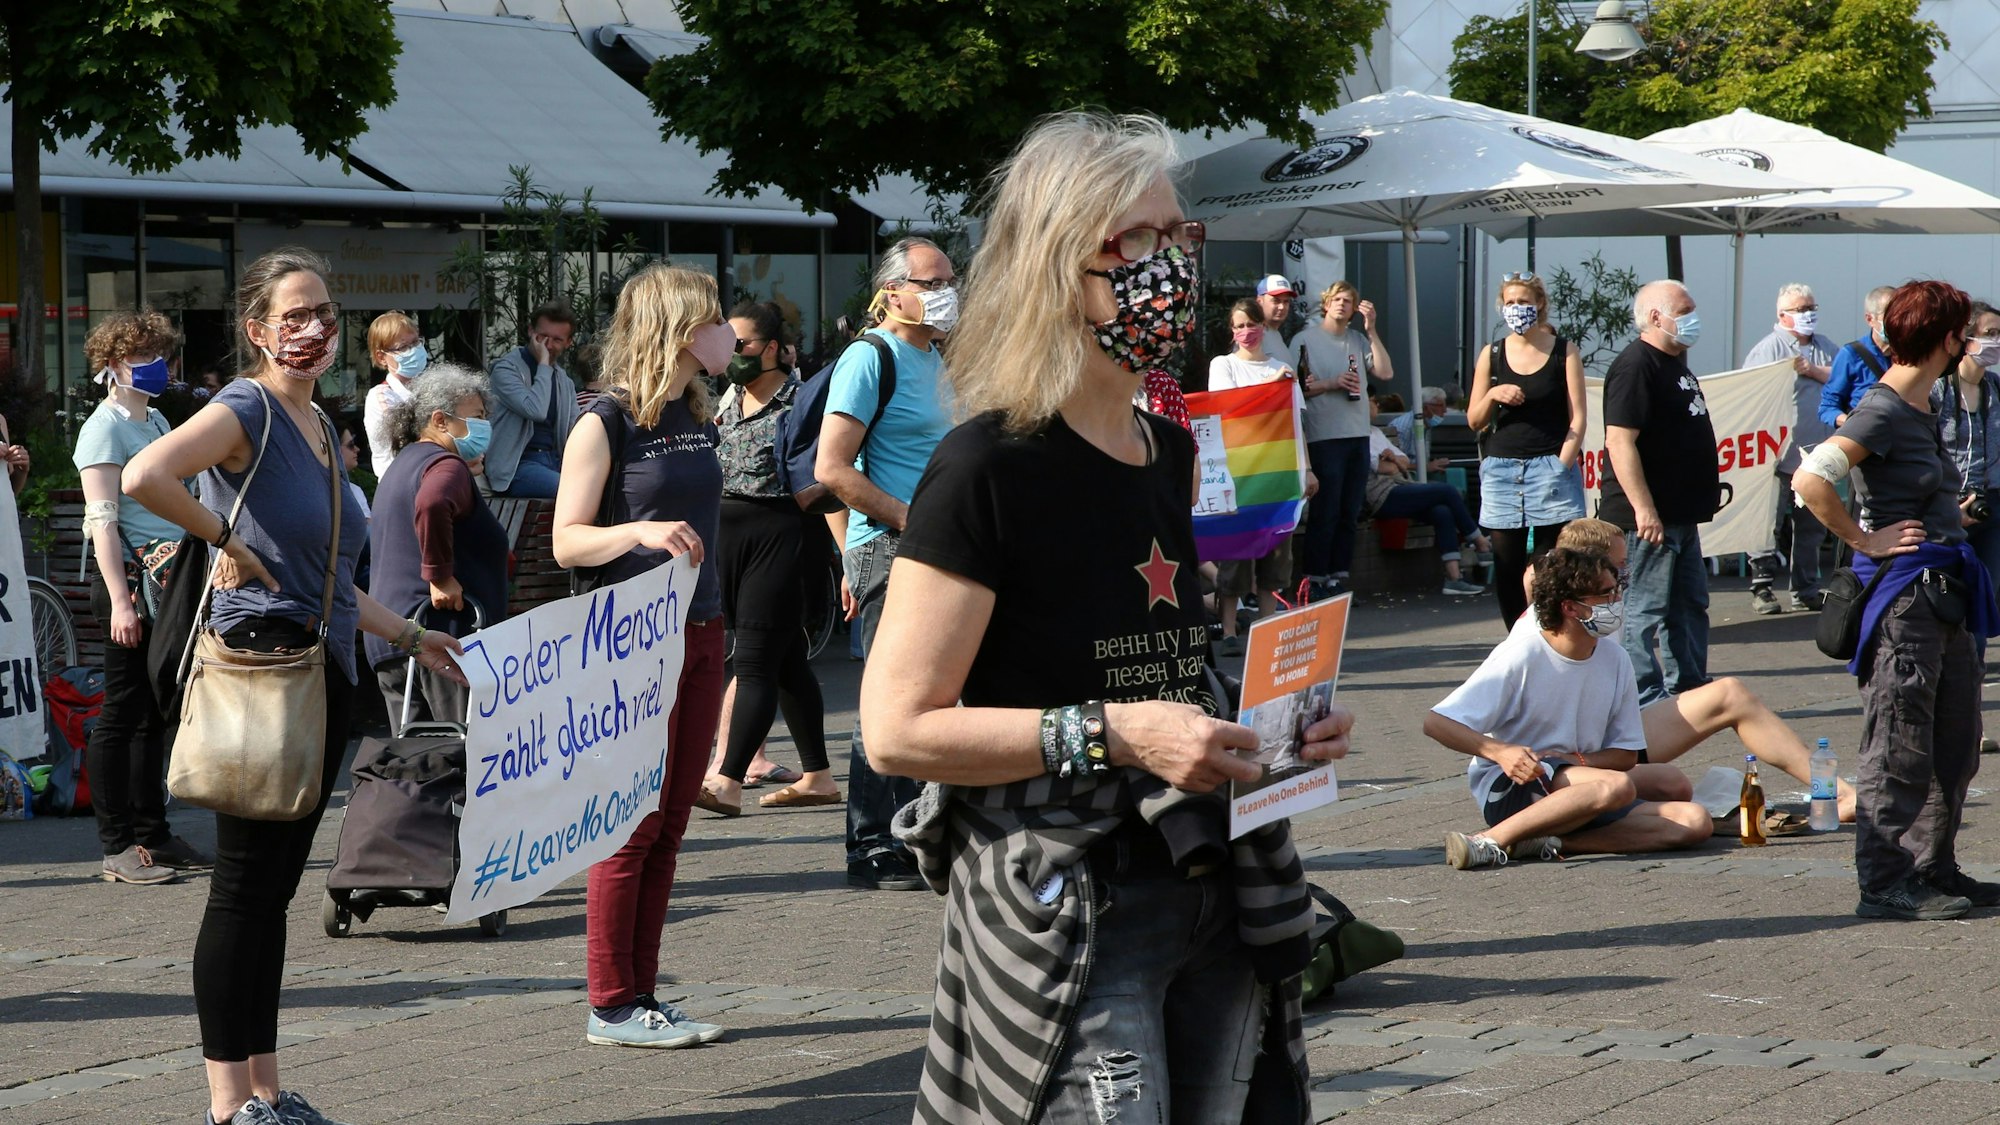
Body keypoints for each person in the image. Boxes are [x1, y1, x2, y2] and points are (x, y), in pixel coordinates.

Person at [864, 109, 1352, 1125]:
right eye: (1135, 241)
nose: (1168, 267)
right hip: (1065, 901)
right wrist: (1117, 732)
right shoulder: (986, 467)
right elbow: (897, 729)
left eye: (1178, 237)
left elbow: (1171, 668)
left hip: (1205, 876)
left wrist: (1269, 732)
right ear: (1054, 263)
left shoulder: (1164, 450)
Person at [122, 246, 465, 1125]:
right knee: (241, 887)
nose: (313, 327)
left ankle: (268, 1088)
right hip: (262, 671)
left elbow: (329, 577)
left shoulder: (318, 426)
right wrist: (223, 541)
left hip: (321, 671)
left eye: (323, 311)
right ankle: (226, 1102)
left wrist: (415, 635)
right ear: (258, 329)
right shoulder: (247, 408)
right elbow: (143, 475)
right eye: (294, 314)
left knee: (273, 893)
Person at [551, 263, 729, 1048]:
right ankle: (609, 1002)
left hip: (702, 628)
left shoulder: (697, 409)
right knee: (632, 821)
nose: (726, 331)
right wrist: (639, 532)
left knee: (671, 823)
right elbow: (565, 539)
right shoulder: (607, 419)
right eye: (714, 316)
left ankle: (642, 995)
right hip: (634, 640)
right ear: (678, 325)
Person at [1793, 279, 2000, 921]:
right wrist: (1865, 537)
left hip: (1946, 591)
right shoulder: (1882, 407)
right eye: (1967, 333)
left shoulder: (1921, 403)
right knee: (1899, 743)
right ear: (1947, 340)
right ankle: (1883, 882)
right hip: (1906, 602)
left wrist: (1947, 515)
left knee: (1954, 741)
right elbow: (1811, 477)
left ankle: (1933, 868)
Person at [1544, 519, 1855, 822]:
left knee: (1729, 695)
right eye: (1620, 565)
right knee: (1674, 792)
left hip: (1610, 737)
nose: (1626, 574)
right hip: (1577, 755)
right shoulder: (1544, 632)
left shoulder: (1602, 605)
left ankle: (1836, 792)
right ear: (1587, 569)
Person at [814, 236, 957, 891]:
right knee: (888, 695)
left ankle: (922, 825)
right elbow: (831, 468)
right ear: (893, 291)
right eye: (930, 282)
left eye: (949, 280)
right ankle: (872, 840)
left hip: (943, 547)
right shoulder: (870, 358)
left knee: (937, 694)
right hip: (895, 548)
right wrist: (907, 517)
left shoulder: (937, 356)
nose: (944, 292)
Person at [1427, 547, 1712, 870]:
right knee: (1615, 786)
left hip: (1580, 781)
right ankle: (1490, 840)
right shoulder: (1523, 655)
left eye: (1617, 589)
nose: (1617, 600)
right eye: (1606, 594)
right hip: (1517, 786)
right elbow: (1437, 722)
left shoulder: (1614, 658)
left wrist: (1574, 760)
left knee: (1692, 816)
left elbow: (1625, 755)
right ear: (1570, 607)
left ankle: (1549, 841)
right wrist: (1501, 752)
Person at [73, 309, 210, 886]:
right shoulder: (103, 429)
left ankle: (152, 832)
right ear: (112, 365)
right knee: (121, 712)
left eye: (161, 354)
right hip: (130, 585)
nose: (158, 366)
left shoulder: (153, 420)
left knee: (152, 711)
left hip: (166, 582)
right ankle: (117, 845)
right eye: (143, 356)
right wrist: (121, 604)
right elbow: (102, 520)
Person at [698, 300, 837, 815]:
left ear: (774, 349)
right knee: (787, 663)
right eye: (728, 345)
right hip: (728, 541)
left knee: (755, 659)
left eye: (745, 345)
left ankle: (728, 780)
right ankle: (819, 775)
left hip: (781, 537)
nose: (734, 355)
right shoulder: (724, 400)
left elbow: (827, 481)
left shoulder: (802, 404)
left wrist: (845, 557)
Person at [367, 364, 508, 728]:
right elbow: (433, 503)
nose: (484, 426)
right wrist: (440, 575)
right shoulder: (446, 466)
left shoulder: (403, 465)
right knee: (461, 765)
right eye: (476, 416)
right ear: (440, 421)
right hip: (442, 640)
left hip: (393, 638)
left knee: (417, 771)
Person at [1600, 279, 1719, 706]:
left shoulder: (1675, 363)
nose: (1693, 319)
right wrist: (1644, 509)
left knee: (1688, 606)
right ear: (1656, 317)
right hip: (1648, 520)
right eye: (1684, 312)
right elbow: (1619, 441)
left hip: (1681, 516)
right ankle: (1644, 696)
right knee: (1642, 611)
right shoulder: (1637, 365)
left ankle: (1688, 687)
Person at [1467, 272, 1587, 626]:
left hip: (1548, 467)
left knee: (1550, 566)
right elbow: (1474, 419)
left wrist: (1560, 464)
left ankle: (1548, 632)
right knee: (1507, 568)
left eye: (1523, 302)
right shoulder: (1492, 354)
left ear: (1540, 305)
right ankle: (1517, 641)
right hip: (1502, 469)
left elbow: (1578, 418)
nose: (1516, 309)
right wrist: (1492, 394)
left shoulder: (1563, 350)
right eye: (1510, 303)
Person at [1207, 297, 1315, 650]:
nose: (1245, 332)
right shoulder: (1223, 365)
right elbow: (1229, 409)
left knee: (1276, 550)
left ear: (1263, 327)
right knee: (1235, 552)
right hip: (1238, 472)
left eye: (1251, 325)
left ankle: (1265, 628)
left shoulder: (1281, 368)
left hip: (1277, 472)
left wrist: (1307, 470)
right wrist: (1273, 385)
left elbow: (1295, 425)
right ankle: (1228, 631)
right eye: (1238, 326)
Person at [1291, 280, 1394, 600]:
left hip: (1357, 434)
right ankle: (1314, 577)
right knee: (1327, 509)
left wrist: (1372, 330)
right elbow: (1295, 390)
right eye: (1337, 299)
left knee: (1349, 509)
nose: (1342, 304)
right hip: (1324, 435)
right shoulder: (1304, 339)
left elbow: (1385, 373)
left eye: (1348, 301)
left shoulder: (1357, 339)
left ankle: (1338, 576)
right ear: (1325, 303)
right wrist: (1332, 383)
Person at [1743, 283, 1838, 615]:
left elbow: (1845, 381)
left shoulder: (1826, 348)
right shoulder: (1767, 350)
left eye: (1812, 307)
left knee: (1811, 525)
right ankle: (1762, 586)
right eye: (1800, 309)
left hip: (1817, 455)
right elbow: (1750, 396)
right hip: (1775, 455)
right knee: (1769, 523)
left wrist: (1812, 371)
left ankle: (1806, 588)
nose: (1808, 313)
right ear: (1781, 315)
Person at [1366, 397, 1490, 597]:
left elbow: (1404, 461)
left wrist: (1394, 460)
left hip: (1401, 485)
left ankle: (1454, 578)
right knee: (1447, 491)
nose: (1375, 405)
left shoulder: (1376, 432)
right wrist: (1394, 463)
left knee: (1441, 512)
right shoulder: (1359, 437)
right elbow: (1382, 468)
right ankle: (1481, 543)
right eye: (1370, 402)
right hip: (1382, 495)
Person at [485, 300, 579, 498]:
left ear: (568, 342)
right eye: (542, 336)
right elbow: (535, 409)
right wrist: (544, 364)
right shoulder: (505, 370)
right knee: (574, 493)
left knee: (602, 490)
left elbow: (574, 431)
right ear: (530, 331)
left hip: (554, 461)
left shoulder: (564, 381)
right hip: (517, 467)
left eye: (557, 340)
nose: (548, 345)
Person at [1819, 285, 1897, 429]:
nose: (1896, 321)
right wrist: (1854, 423)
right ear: (1870, 319)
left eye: (1900, 314)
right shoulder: (1851, 354)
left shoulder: (1909, 355)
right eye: (1889, 314)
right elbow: (1828, 407)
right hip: (1865, 439)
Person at [360, 312, 426, 478]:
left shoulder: (429, 387)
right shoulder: (381, 396)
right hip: (402, 484)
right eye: (403, 347)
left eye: (416, 342)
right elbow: (410, 441)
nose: (414, 350)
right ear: (381, 357)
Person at [1390, 385, 1450, 469]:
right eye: (1441, 405)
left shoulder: (1426, 423)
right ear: (1426, 408)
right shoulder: (1402, 427)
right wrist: (1426, 467)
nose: (1445, 410)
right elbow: (1395, 463)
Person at [1255, 273, 1298, 367]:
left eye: (1286, 301)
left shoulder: (1275, 334)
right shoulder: (1253, 334)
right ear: (1259, 301)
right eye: (1276, 301)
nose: (1282, 307)